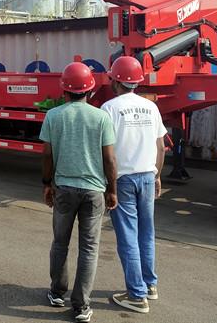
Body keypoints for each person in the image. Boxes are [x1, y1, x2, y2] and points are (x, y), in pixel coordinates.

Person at [40, 62, 118, 323]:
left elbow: (47, 155)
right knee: (89, 248)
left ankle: (57, 292)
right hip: (94, 192)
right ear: (90, 90)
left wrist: (47, 184)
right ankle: (82, 306)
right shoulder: (101, 118)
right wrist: (112, 190)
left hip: (64, 189)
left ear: (64, 90)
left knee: (60, 242)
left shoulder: (54, 116)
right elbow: (109, 159)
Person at [100, 56, 166, 314]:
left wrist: (108, 184)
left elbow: (107, 152)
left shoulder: (109, 108)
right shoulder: (151, 107)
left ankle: (137, 295)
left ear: (115, 80)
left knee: (127, 237)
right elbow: (160, 146)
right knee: (146, 234)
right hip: (148, 176)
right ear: (137, 81)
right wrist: (158, 175)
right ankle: (149, 285)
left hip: (123, 179)